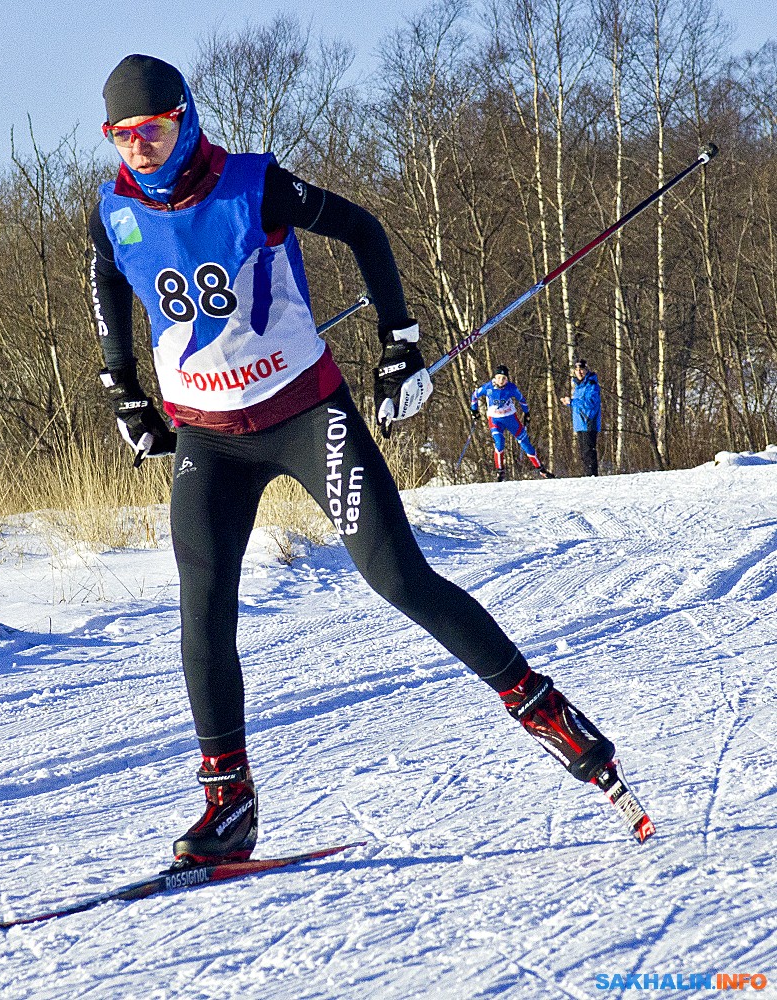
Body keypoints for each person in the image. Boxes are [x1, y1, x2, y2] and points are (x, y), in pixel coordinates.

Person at [89, 54, 639, 866]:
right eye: (123, 136)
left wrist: (400, 344)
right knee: (202, 605)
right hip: (208, 435)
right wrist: (123, 385)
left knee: (397, 578)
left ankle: (551, 712)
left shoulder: (255, 184)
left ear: (187, 117)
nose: (140, 148)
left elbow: (363, 230)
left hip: (307, 415)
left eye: (155, 129)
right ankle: (229, 803)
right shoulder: (112, 209)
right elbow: (106, 279)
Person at [471, 366, 554, 482]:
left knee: (525, 443)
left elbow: (522, 400)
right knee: (499, 443)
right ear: (495, 377)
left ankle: (542, 470)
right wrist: (474, 410)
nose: (501, 381)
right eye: (499, 377)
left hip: (511, 419)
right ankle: (500, 472)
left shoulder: (511, 388)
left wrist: (527, 414)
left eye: (504, 378)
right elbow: (474, 396)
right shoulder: (488, 388)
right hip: (495, 420)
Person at [560, 359, 601, 476]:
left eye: (581, 370)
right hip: (579, 423)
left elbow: (589, 403)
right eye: (577, 370)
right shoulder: (578, 386)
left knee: (589, 451)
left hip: (589, 421)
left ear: (586, 370)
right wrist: (569, 402)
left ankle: (592, 476)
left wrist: (572, 402)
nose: (579, 372)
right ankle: (587, 475)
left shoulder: (591, 385)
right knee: (583, 453)